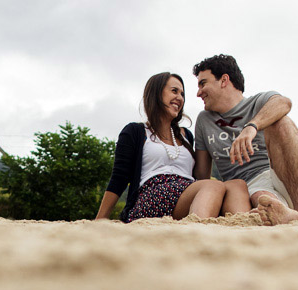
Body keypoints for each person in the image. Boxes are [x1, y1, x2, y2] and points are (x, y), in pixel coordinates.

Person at [95, 72, 248, 222]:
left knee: (237, 185)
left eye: (182, 94)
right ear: (156, 93)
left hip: (186, 192)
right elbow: (119, 178)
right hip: (152, 195)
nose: (179, 98)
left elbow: (198, 175)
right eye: (174, 91)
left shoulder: (186, 135)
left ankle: (244, 235)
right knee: (213, 186)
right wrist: (100, 220)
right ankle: (197, 235)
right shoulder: (135, 131)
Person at [192, 54, 298, 225]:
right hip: (249, 189)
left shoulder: (258, 102)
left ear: (224, 80)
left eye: (203, 83)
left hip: (293, 183)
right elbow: (202, 175)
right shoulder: (204, 120)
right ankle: (284, 214)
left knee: (281, 121)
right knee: (259, 195)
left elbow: (284, 103)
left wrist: (251, 127)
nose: (198, 92)